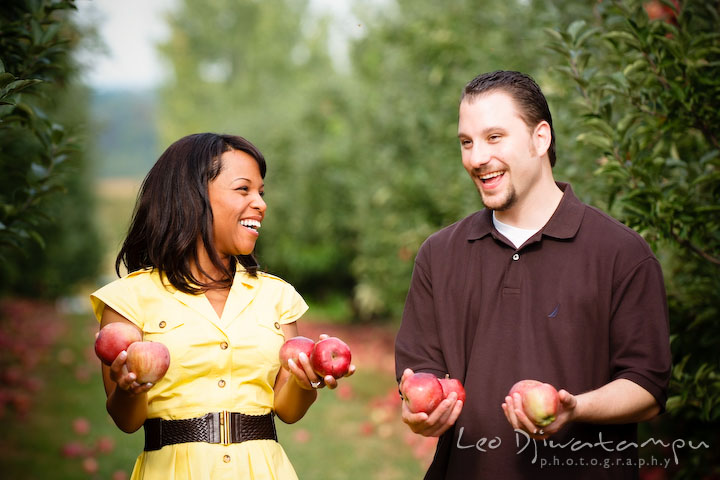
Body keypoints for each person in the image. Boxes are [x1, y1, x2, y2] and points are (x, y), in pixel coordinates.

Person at [394, 71, 671, 479]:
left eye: (494, 138)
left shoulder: (621, 253)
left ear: (540, 139)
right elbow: (420, 375)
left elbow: (647, 388)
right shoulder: (439, 255)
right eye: (466, 143)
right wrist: (418, 410)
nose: (475, 158)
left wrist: (576, 407)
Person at [90, 133, 354, 480]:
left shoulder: (277, 296)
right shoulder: (129, 299)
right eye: (243, 190)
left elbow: (287, 411)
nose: (260, 203)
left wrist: (307, 381)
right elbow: (127, 421)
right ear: (192, 196)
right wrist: (128, 388)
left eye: (261, 192)